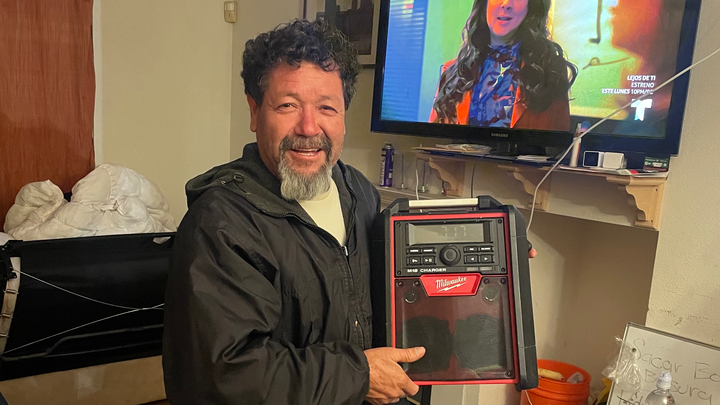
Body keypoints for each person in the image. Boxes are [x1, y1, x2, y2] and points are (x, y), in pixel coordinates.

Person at [162, 19, 426, 405]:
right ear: (255, 111)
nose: (308, 127)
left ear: (343, 115)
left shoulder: (360, 194)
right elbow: (223, 377)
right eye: (288, 105)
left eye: (326, 107)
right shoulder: (221, 223)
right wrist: (359, 376)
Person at [429, 0, 577, 131]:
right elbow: (432, 143)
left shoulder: (550, 73)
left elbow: (555, 146)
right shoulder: (453, 73)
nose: (506, 4)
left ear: (531, 5)